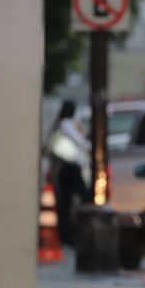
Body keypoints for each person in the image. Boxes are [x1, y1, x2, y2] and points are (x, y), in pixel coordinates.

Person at [47, 99, 91, 245]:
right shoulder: (67, 124)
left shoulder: (60, 124)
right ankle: (74, 235)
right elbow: (81, 142)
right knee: (84, 197)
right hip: (70, 167)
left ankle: (66, 236)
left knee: (66, 202)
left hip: (65, 168)